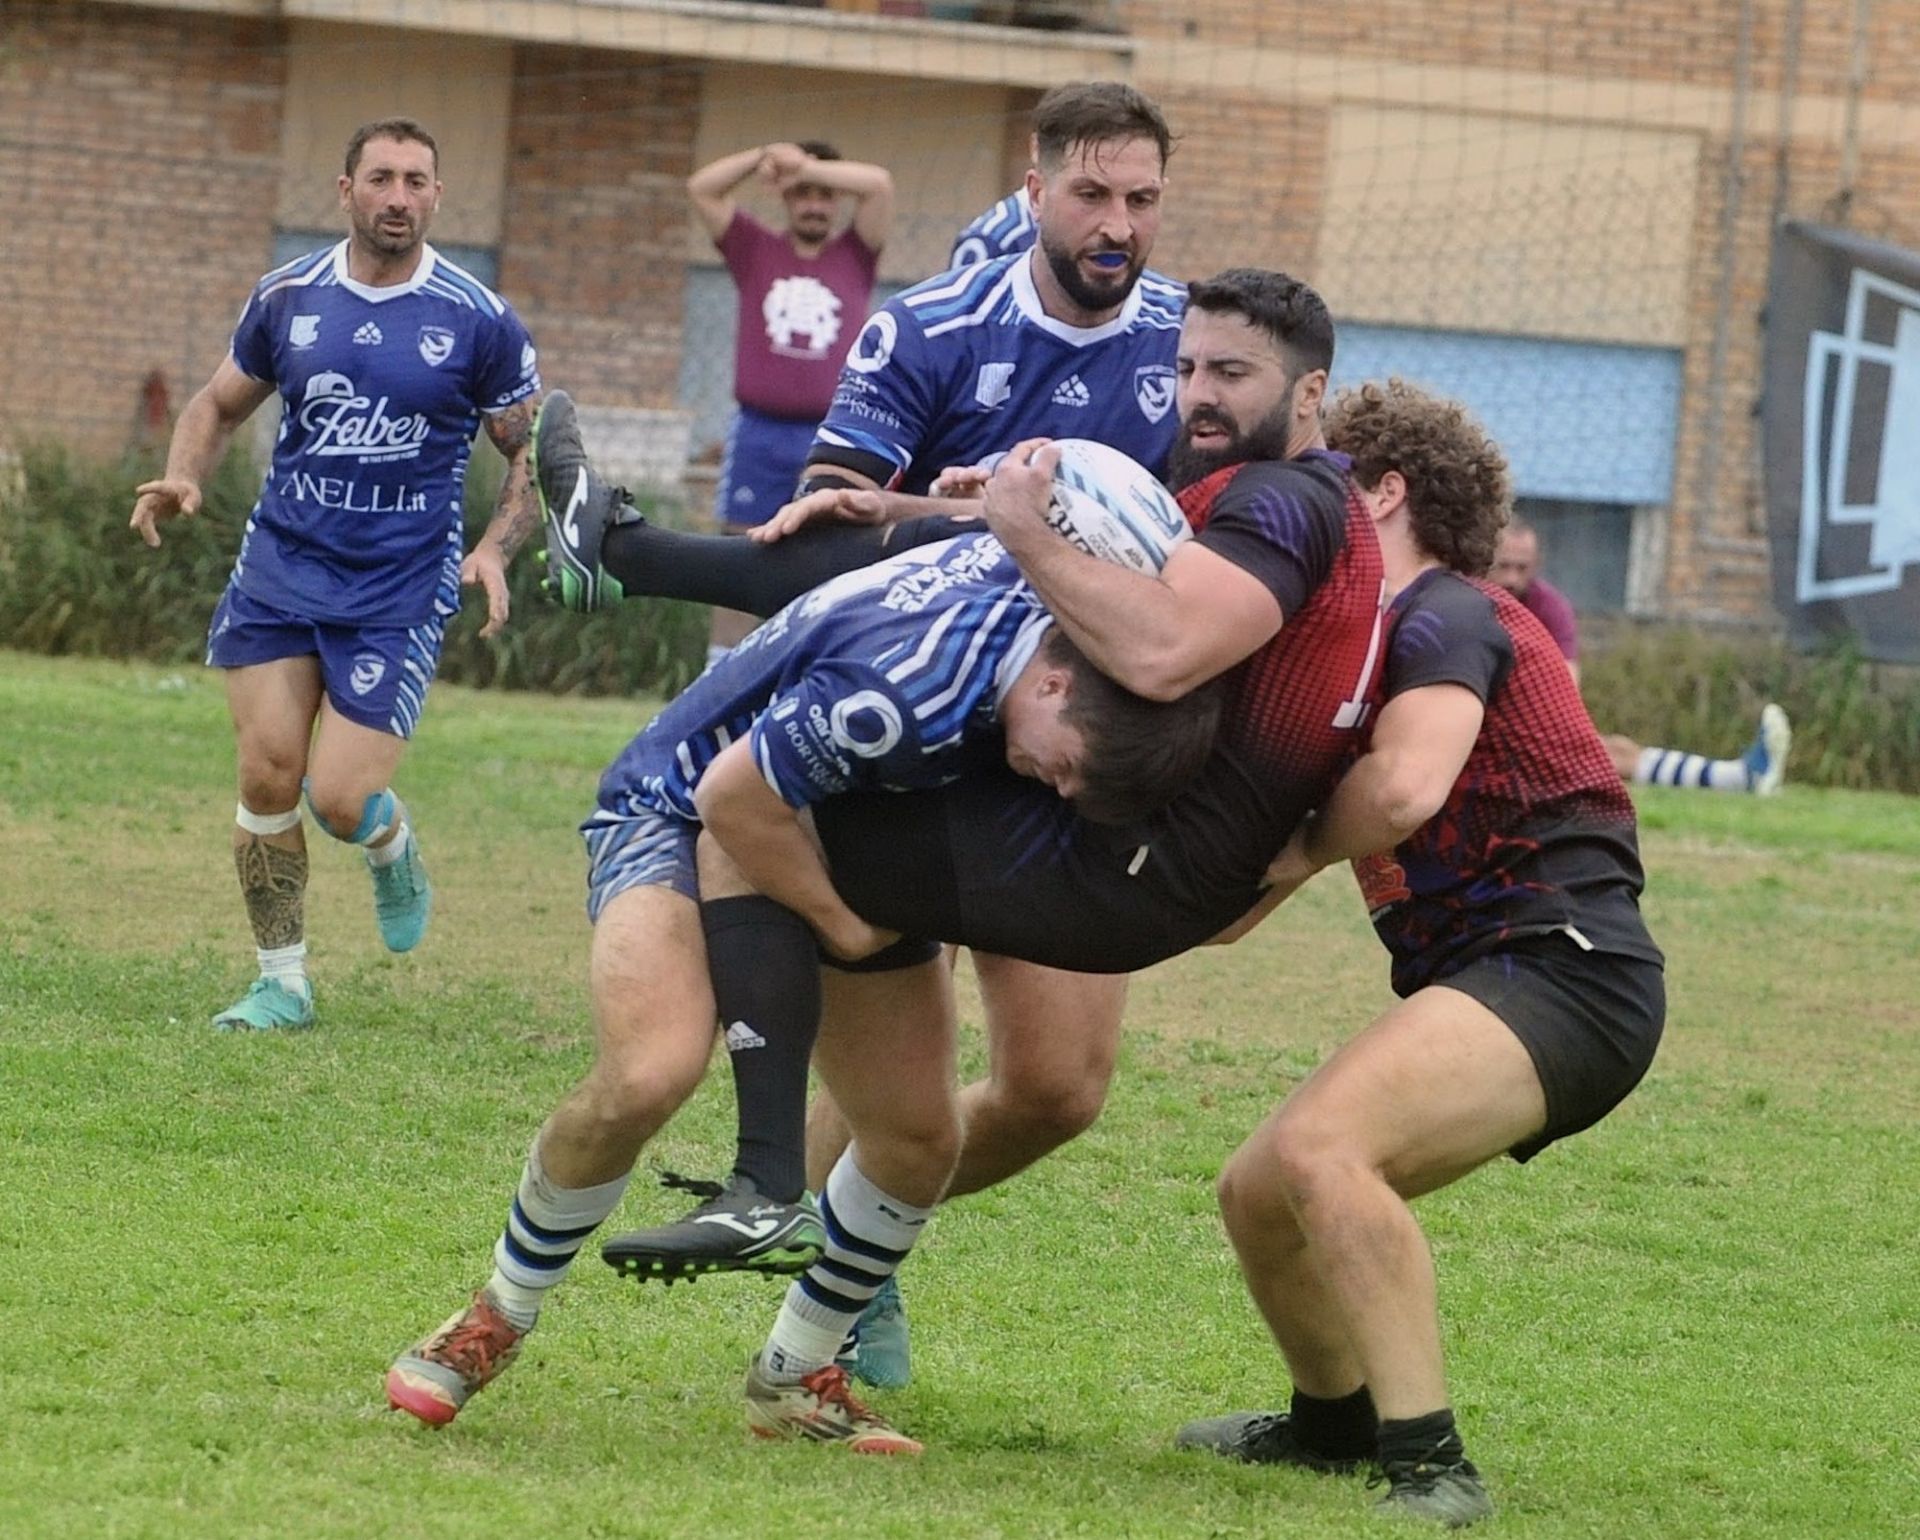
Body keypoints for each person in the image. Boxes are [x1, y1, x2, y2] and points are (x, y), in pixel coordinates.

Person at [543, 267, 1410, 1446]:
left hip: (1123, 834)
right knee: (782, 799)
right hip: (1119, 828)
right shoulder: (1240, 485)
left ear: (1312, 393)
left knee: (791, 802)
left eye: (1231, 374)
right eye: (1190, 367)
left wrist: (1007, 528)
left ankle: (796, 1203)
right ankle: (785, 1213)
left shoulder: (1278, 503)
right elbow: (1084, 561)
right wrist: (915, 515)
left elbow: (1153, 652)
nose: (1197, 393)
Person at [541, 81, 1190, 1374]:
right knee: (893, 1023)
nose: (1119, 223)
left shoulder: (1190, 343)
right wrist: (978, 525)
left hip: (1074, 734)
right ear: (1034, 189)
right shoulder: (933, 328)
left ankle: (843, 1208)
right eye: (1093, 194)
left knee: (1059, 1090)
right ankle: (841, 1265)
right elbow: (835, 540)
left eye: (1143, 199)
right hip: (913, 741)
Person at [382, 526, 1222, 1435]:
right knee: (652, 1070)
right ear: (1054, 684)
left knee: (915, 1138)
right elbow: (732, 803)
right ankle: (494, 1315)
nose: (1053, 789)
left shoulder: (1063, 581)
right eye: (1063, 766)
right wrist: (841, 925)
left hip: (836, 825)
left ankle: (793, 1376)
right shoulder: (909, 697)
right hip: (680, 800)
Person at [1174, 381, 1665, 1527]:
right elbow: (1239, 903)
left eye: (1329, 484)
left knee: (1325, 1149)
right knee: (1259, 1194)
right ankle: (1330, 1425)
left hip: (1567, 965)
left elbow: (1402, 787)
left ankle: (1432, 1463)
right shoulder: (1360, 655)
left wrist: (1295, 847)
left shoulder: (1448, 613)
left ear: (1385, 493)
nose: (1303, 510)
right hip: (1505, 973)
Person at [128, 117, 541, 1032]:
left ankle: (390, 842)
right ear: (346, 190)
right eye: (383, 178)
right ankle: (282, 982)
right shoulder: (287, 297)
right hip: (281, 567)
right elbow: (216, 401)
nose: (400, 196)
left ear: (437, 197)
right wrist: (186, 473)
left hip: (397, 586)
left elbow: (529, 453)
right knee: (269, 777)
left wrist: (494, 548)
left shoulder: (477, 319)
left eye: (418, 181)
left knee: (340, 797)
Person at [685, 138, 893, 669]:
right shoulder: (755, 249)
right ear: (784, 198)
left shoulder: (856, 253)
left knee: (831, 555)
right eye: (803, 194)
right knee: (741, 549)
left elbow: (879, 187)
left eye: (826, 194)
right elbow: (702, 189)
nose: (816, 205)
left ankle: (812, 668)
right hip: (759, 433)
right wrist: (762, 158)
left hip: (834, 439)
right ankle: (721, 668)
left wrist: (812, 167)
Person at [1491, 523, 1791, 794]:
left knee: (1611, 749)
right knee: (1599, 754)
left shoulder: (1548, 607)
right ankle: (1734, 777)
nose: (1512, 578)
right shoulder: (1469, 601)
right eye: (1504, 566)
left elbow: (1566, 685)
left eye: (1522, 568)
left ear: (1537, 564)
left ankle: (1735, 777)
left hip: (1514, 726)